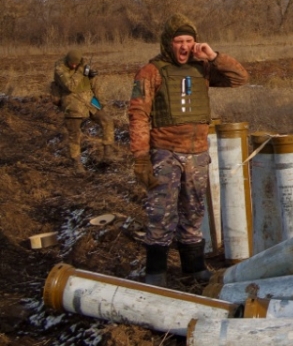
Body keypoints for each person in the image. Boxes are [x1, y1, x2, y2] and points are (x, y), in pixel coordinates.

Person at [128, 14, 247, 287]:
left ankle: (193, 267)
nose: (183, 46)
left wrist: (213, 55)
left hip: (196, 153)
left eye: (189, 41)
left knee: (193, 211)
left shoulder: (202, 68)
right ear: (167, 43)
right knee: (161, 212)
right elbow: (138, 114)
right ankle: (156, 272)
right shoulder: (151, 72)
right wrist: (140, 158)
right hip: (164, 153)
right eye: (178, 41)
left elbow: (239, 78)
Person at [51, 49, 115, 171]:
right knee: (74, 134)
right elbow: (71, 86)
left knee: (107, 120)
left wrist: (101, 101)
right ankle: (77, 163)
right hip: (71, 103)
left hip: (90, 101)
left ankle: (108, 152)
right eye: (72, 64)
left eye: (77, 64)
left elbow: (93, 84)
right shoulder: (60, 69)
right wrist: (81, 71)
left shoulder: (84, 66)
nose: (74, 66)